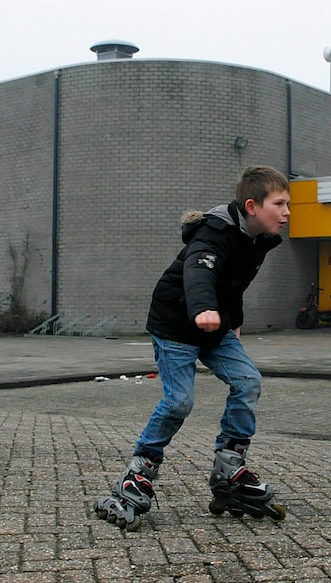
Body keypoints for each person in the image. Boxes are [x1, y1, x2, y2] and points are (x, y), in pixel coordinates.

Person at [93, 165, 291, 530]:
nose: (287, 212)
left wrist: (233, 321)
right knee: (179, 401)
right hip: (176, 326)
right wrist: (203, 308)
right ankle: (138, 474)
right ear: (252, 205)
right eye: (279, 203)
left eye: (287, 204)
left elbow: (234, 285)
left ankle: (229, 470)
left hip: (215, 328)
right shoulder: (213, 234)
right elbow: (199, 274)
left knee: (248, 381)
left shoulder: (256, 240)